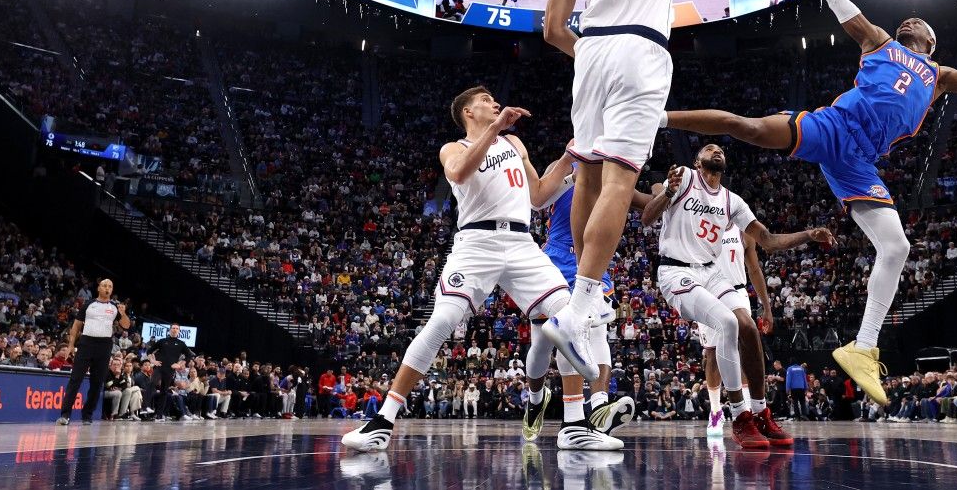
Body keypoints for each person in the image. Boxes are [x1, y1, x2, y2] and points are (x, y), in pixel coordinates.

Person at [662, 0, 957, 406]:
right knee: (743, 126)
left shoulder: (940, 75)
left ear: (932, 42)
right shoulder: (881, 41)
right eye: (907, 19)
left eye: (921, 22)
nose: (911, 19)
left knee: (896, 248)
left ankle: (864, 347)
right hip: (832, 129)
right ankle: (659, 119)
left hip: (860, 163)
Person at [540, 0, 688, 376]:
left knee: (587, 171)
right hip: (641, 47)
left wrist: (585, 53)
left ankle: (583, 301)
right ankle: (582, 307)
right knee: (622, 183)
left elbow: (552, 28)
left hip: (592, 51)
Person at [341, 87, 573, 451]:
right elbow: (461, 174)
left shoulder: (514, 145)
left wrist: (566, 159)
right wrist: (495, 128)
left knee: (568, 316)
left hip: (521, 242)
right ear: (468, 112)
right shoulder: (454, 148)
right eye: (485, 101)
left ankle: (574, 422)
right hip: (476, 244)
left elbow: (539, 196)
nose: (494, 102)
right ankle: (382, 421)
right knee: (442, 321)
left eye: (494, 100)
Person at [639, 147, 835, 449]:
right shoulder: (684, 177)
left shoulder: (732, 200)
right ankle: (738, 416)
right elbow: (646, 219)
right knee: (727, 323)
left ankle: (760, 412)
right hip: (676, 271)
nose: (716, 149)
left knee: (747, 326)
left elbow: (767, 240)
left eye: (720, 148)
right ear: (697, 161)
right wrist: (666, 193)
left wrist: (808, 234)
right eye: (708, 148)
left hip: (712, 272)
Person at [525, 165, 636, 448]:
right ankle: (537, 398)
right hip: (557, 257)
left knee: (595, 330)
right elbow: (537, 200)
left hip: (593, 259)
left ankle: (595, 408)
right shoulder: (567, 162)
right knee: (541, 345)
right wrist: (573, 175)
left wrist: (667, 192)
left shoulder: (616, 168)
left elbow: (641, 204)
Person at [57, 279, 131, 425]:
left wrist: (123, 314)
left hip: (104, 346)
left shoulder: (115, 307)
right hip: (86, 343)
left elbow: (126, 326)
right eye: (104, 285)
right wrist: (71, 344)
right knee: (75, 380)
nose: (107, 288)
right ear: (99, 288)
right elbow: (76, 325)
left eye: (110, 286)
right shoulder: (89, 304)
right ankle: (65, 415)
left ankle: (87, 415)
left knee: (97, 383)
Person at [148, 323, 195, 407]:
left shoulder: (181, 343)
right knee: (152, 383)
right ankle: (145, 407)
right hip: (159, 367)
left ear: (179, 331)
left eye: (177, 328)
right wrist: (152, 360)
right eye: (173, 328)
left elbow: (189, 355)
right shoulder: (162, 341)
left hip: (170, 370)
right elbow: (149, 351)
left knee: (164, 391)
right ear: (170, 330)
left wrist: (180, 364)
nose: (175, 329)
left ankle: (159, 415)